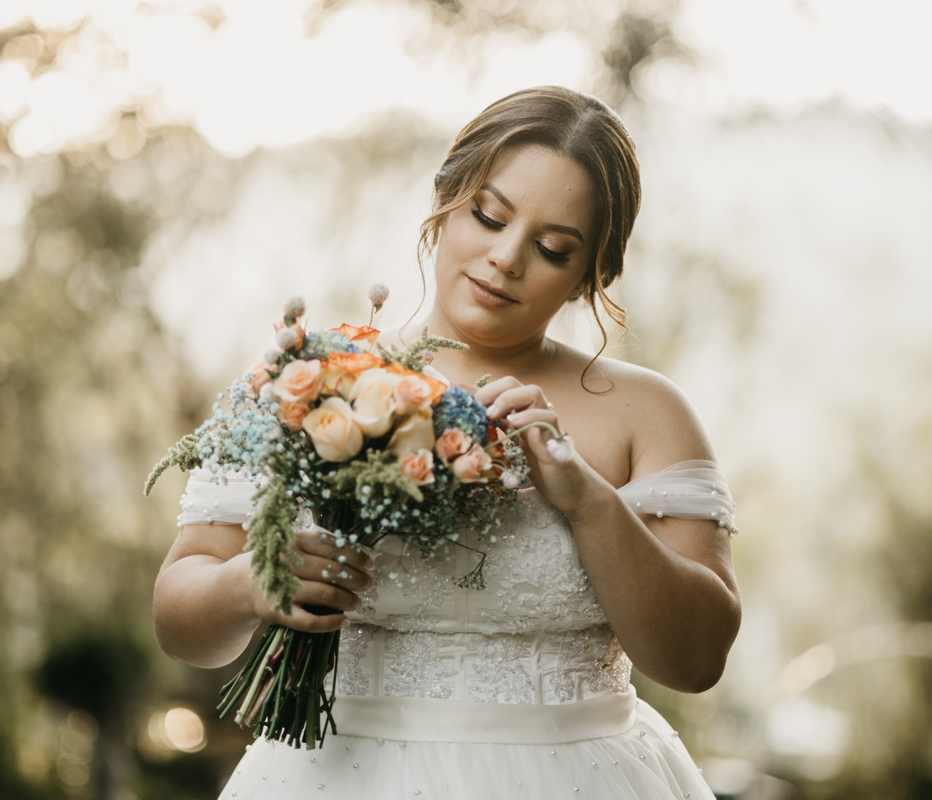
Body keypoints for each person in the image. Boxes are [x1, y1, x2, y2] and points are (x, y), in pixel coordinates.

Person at [154, 85, 742, 799]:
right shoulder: (310, 380)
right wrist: (253, 584)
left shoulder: (646, 412)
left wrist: (588, 501)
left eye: (552, 249)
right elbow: (181, 621)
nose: (505, 259)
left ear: (593, 273)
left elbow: (696, 659)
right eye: (488, 216)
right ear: (445, 198)